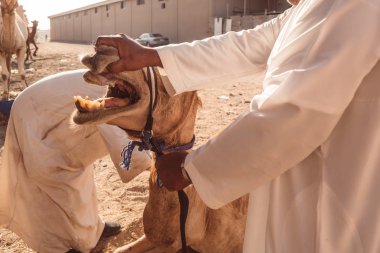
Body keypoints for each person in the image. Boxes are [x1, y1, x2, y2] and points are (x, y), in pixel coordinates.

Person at [95, 0, 380, 252]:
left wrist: (192, 167)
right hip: (301, 189)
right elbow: (244, 45)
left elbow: (294, 114)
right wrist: (151, 55)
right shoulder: (309, 8)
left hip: (336, 202)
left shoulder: (351, 5)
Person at [0, 69, 152, 253]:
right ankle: (58, 248)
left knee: (80, 180)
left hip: (54, 117)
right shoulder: (116, 97)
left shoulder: (131, 85)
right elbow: (128, 153)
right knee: (52, 182)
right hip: (36, 118)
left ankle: (95, 230)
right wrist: (154, 165)